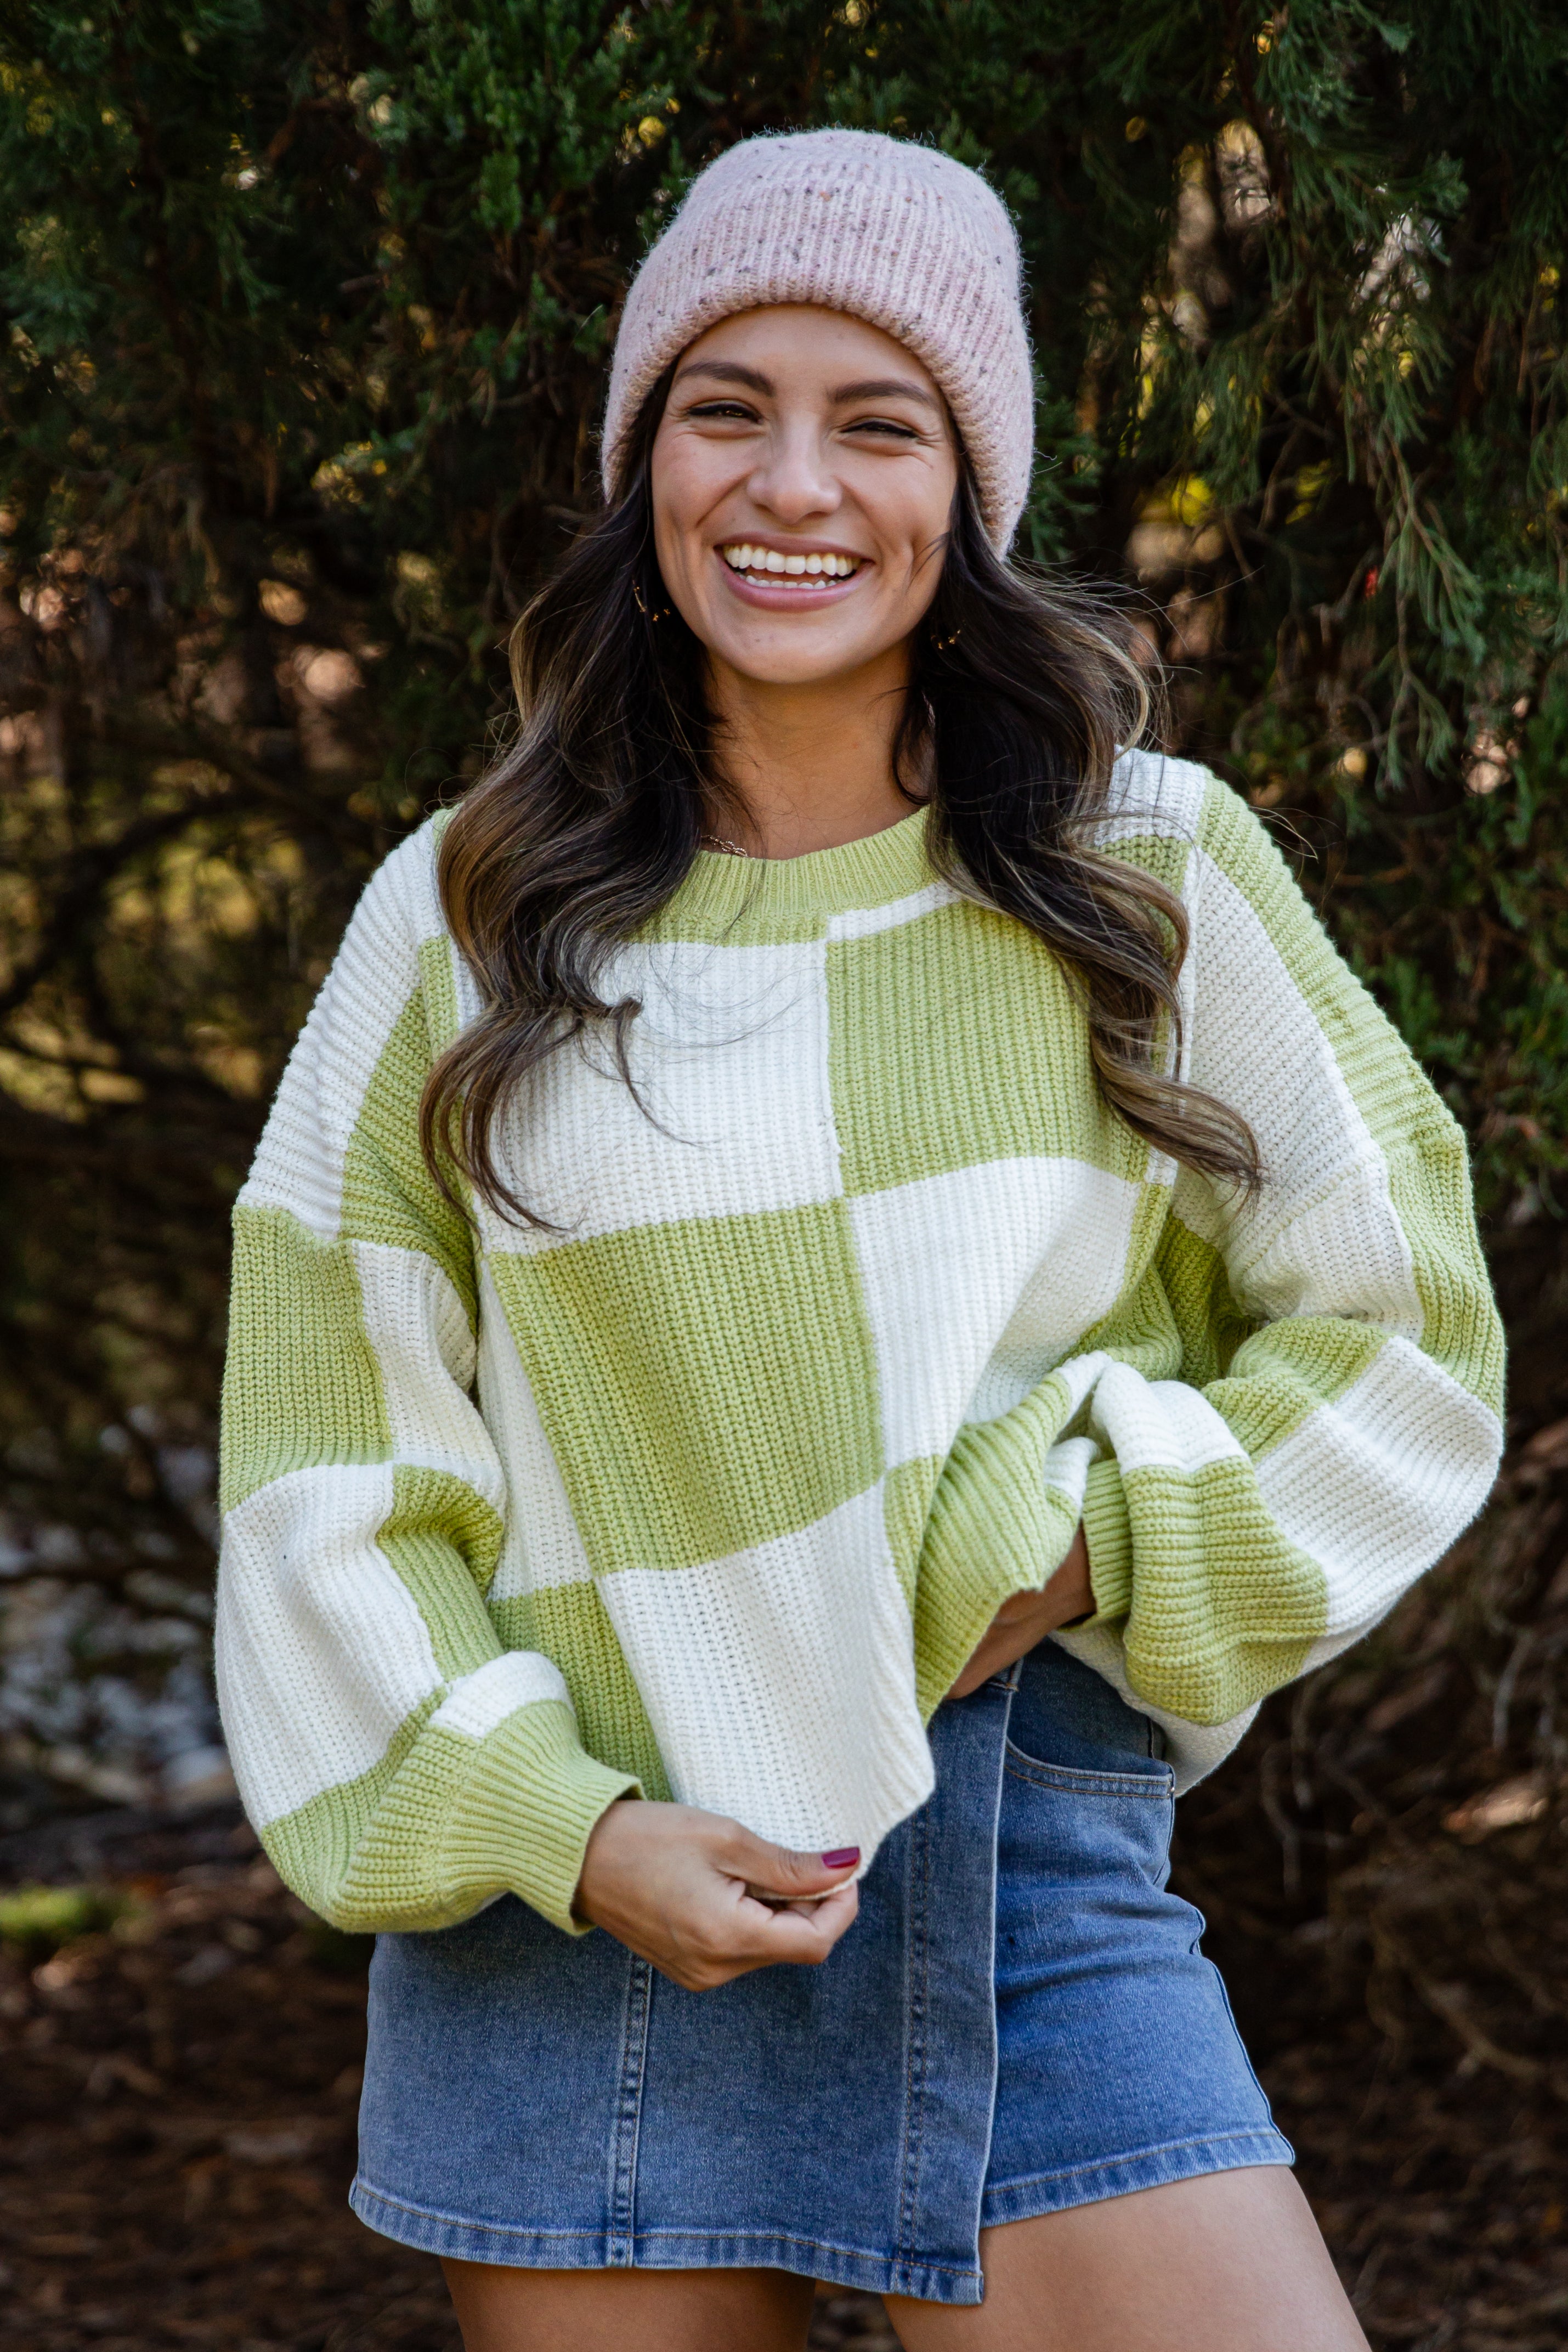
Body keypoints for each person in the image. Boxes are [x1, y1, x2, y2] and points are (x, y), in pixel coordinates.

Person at [214, 129, 1503, 2352]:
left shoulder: (1146, 868)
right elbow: (324, 1474)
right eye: (726, 407)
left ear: (964, 490)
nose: (790, 483)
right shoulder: (458, 918)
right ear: (646, 467)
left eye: (875, 419)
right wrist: (569, 1824)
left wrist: (1095, 1536)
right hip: (573, 1910)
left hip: (1014, 1875)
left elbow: (1403, 1330)